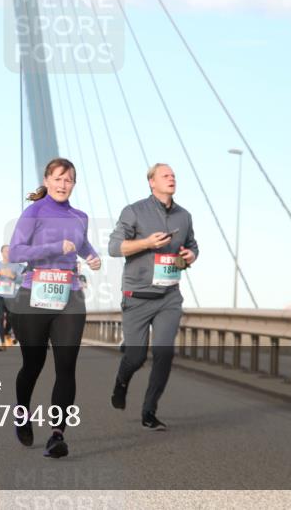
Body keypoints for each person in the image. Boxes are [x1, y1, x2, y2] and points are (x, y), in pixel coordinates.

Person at [8, 158, 101, 458]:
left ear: (74, 184)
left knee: (66, 366)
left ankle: (57, 435)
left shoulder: (79, 216)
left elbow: (81, 244)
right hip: (33, 296)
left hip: (69, 296)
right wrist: (54, 248)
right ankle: (22, 411)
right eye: (58, 179)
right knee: (33, 365)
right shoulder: (33, 211)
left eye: (69, 180)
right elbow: (15, 252)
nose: (63, 185)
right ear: (47, 180)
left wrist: (93, 257)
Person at [108, 163, 198, 431]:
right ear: (151, 182)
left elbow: (192, 245)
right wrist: (146, 243)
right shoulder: (133, 211)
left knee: (164, 352)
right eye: (165, 175)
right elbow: (114, 247)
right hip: (137, 296)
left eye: (173, 175)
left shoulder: (184, 216)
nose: (171, 178)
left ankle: (149, 410)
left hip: (169, 296)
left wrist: (191, 255)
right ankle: (122, 380)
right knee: (136, 357)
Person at [0, 244, 23, 351]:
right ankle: (2, 343)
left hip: (11, 296)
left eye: (10, 251)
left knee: (11, 318)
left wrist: (13, 276)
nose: (8, 253)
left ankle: (6, 333)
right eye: (6, 251)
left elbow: (22, 280)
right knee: (0, 318)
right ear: (2, 252)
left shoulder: (17, 266)